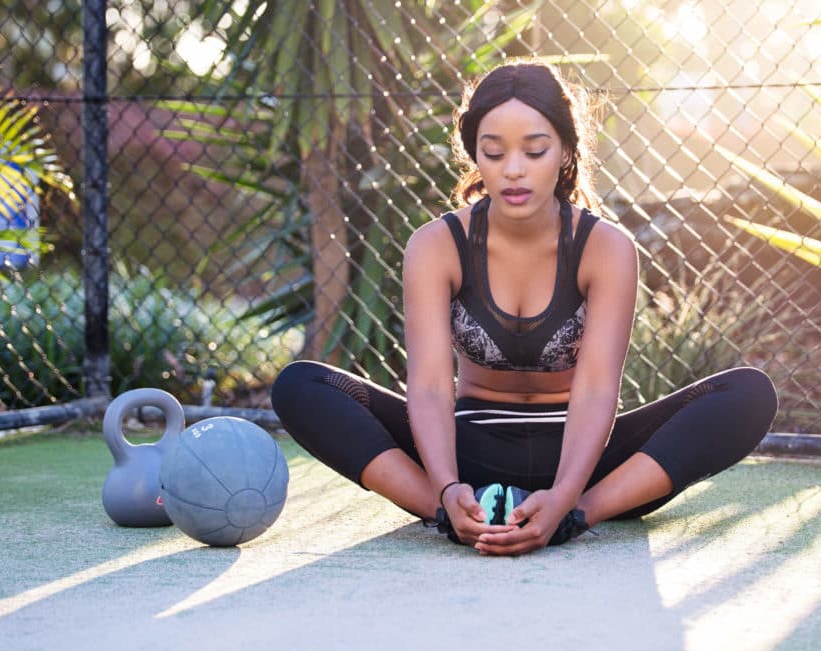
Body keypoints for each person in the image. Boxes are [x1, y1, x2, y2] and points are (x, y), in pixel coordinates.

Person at [270, 60, 778, 556]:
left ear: (563, 150)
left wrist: (566, 500)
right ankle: (453, 516)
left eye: (534, 151)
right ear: (475, 155)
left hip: (584, 459)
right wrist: (447, 489)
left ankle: (580, 515)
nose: (513, 170)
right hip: (468, 451)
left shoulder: (606, 247)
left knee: (748, 394)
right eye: (493, 153)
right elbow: (427, 386)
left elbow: (599, 387)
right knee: (302, 386)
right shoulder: (436, 245)